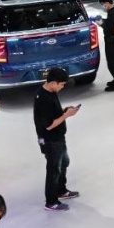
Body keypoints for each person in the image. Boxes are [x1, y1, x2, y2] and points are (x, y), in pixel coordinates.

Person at [34, 68, 80, 211]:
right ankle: (51, 202)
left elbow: (53, 114)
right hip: (51, 141)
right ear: (53, 83)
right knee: (54, 169)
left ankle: (61, 190)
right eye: (62, 84)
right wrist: (66, 115)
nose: (63, 87)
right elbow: (48, 125)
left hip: (59, 138)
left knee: (64, 162)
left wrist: (64, 111)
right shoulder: (43, 99)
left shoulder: (51, 92)